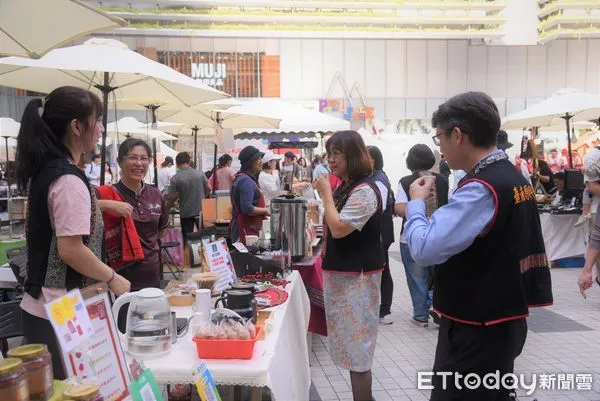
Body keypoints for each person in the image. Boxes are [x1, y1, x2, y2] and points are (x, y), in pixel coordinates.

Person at [405, 92, 553, 400]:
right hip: (503, 318)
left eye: (440, 138)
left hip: (475, 326)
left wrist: (415, 205)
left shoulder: (480, 189)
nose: (440, 148)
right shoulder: (514, 177)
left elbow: (424, 249)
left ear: (457, 135)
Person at [16, 87, 131, 379]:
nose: (102, 128)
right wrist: (113, 278)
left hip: (45, 307)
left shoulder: (49, 170)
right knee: (77, 388)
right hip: (61, 310)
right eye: (98, 120)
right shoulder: (68, 179)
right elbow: (70, 249)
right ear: (77, 126)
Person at [314, 130, 383, 401]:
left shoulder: (365, 190)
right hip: (345, 280)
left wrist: (326, 195)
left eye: (337, 154)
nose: (331, 160)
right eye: (329, 154)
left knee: (359, 355)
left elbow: (340, 228)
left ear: (353, 155)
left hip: (358, 281)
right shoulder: (348, 184)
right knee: (353, 352)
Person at [395, 144, 449, 327]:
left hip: (411, 237)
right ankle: (436, 305)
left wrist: (417, 207)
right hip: (438, 234)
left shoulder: (405, 181)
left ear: (409, 162)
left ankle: (420, 316)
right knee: (438, 275)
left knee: (417, 277)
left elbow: (400, 209)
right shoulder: (442, 180)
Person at [367, 146, 396, 325]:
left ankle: (384, 309)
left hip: (380, 234)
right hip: (380, 233)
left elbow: (379, 208)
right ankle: (382, 307)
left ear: (373, 161)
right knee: (382, 269)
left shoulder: (379, 180)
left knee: (383, 270)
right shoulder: (375, 177)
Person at [166, 152, 211, 245]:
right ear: (189, 161)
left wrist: (166, 209)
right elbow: (209, 188)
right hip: (201, 210)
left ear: (177, 163)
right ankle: (206, 257)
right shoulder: (199, 173)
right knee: (205, 238)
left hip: (186, 212)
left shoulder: (175, 178)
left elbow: (172, 197)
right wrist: (202, 197)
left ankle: (190, 258)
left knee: (188, 240)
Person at [230, 146, 270, 244]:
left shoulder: (244, 178)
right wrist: (267, 210)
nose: (261, 161)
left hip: (246, 228)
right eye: (258, 159)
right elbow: (247, 208)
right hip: (245, 229)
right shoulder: (245, 181)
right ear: (251, 162)